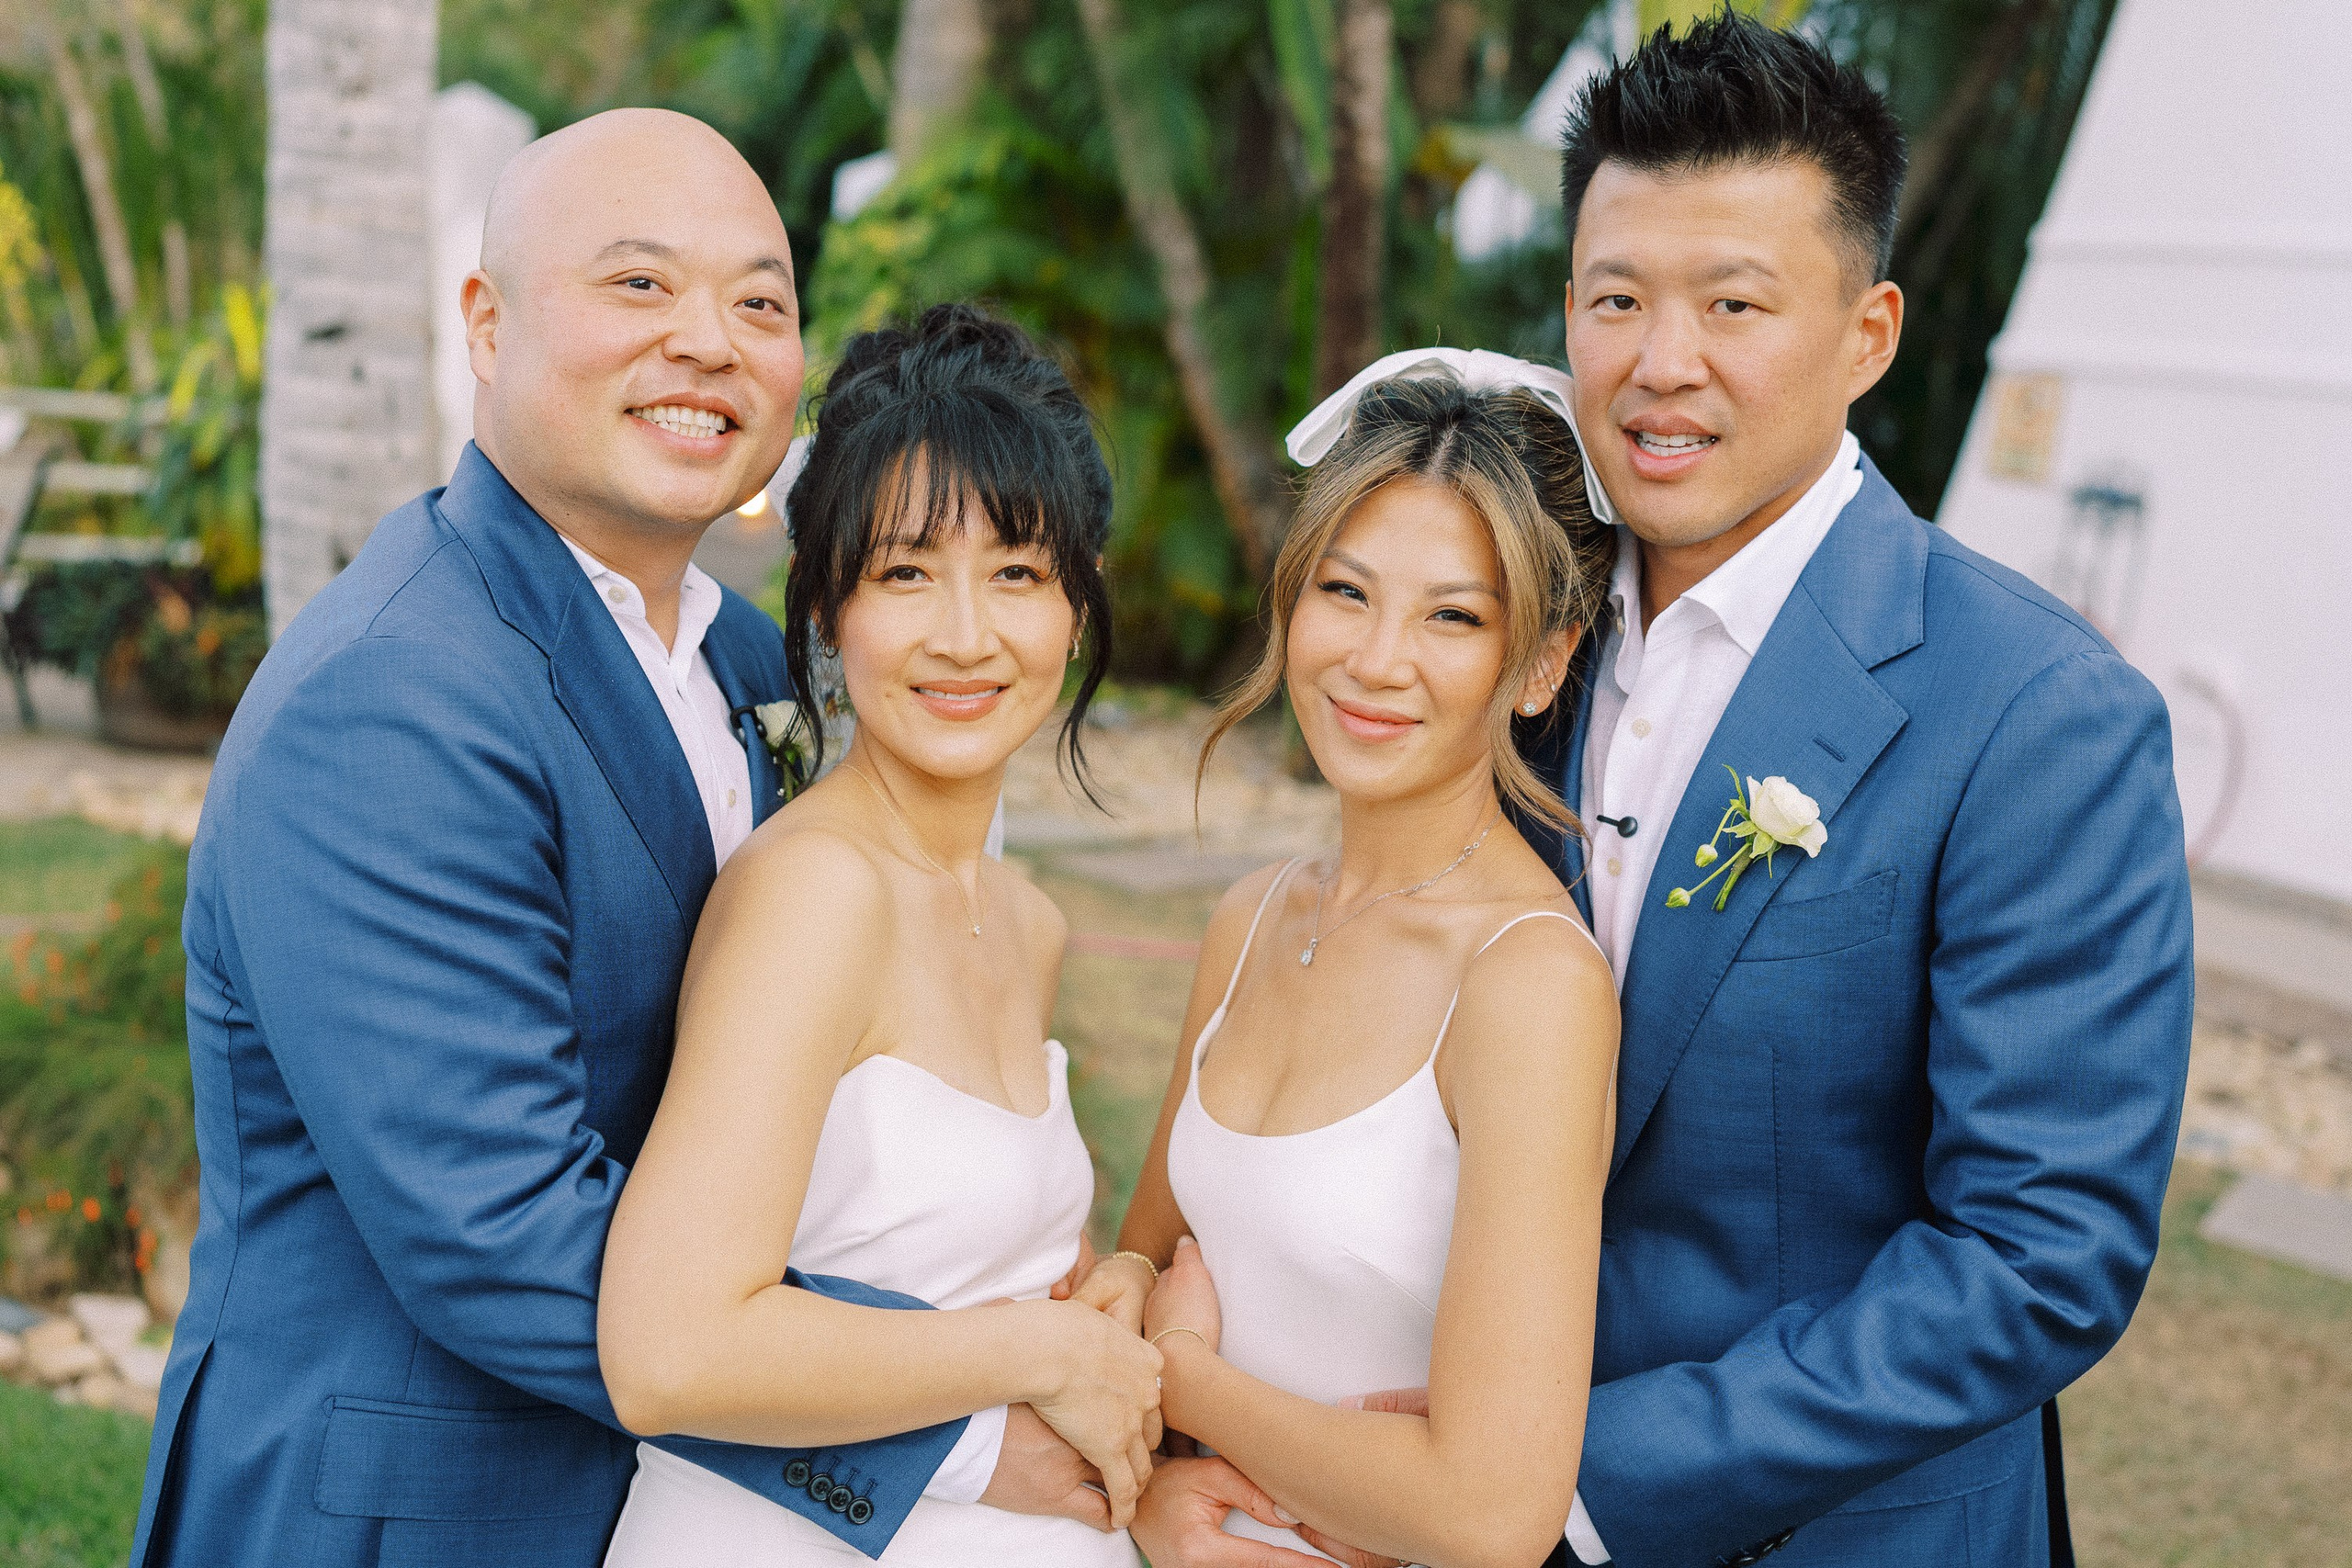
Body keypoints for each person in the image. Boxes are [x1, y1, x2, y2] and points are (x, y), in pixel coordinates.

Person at [130, 113, 1124, 1567]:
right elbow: (501, 1234)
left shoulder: (748, 668)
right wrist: (963, 1434)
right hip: (414, 1517)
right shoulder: (391, 700)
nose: (708, 342)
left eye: (759, 303)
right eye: (641, 285)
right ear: (487, 323)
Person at [1297, 17, 2190, 1568]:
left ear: (1868, 334)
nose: (1663, 363)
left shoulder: (2040, 714)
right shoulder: (1510, 633)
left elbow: (2039, 1256)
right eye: (1617, 299)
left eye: (1734, 304)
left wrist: (1573, 1485)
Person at [597, 302, 1164, 1564]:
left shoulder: (1026, 919)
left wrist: (1107, 1291)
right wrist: (1038, 1349)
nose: (965, 636)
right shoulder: (814, 896)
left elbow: (975, 1250)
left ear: (1078, 606)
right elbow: (670, 1349)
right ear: (827, 612)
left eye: (1017, 574)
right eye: (906, 573)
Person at [1114, 365, 1623, 1568]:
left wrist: (1183, 1379)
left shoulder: (1527, 983)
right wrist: (1154, 1498)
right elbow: (1145, 1260)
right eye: (1345, 592)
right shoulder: (1251, 918)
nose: (1378, 660)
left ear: (1543, 662)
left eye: (1453, 617)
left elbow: (1493, 1514)